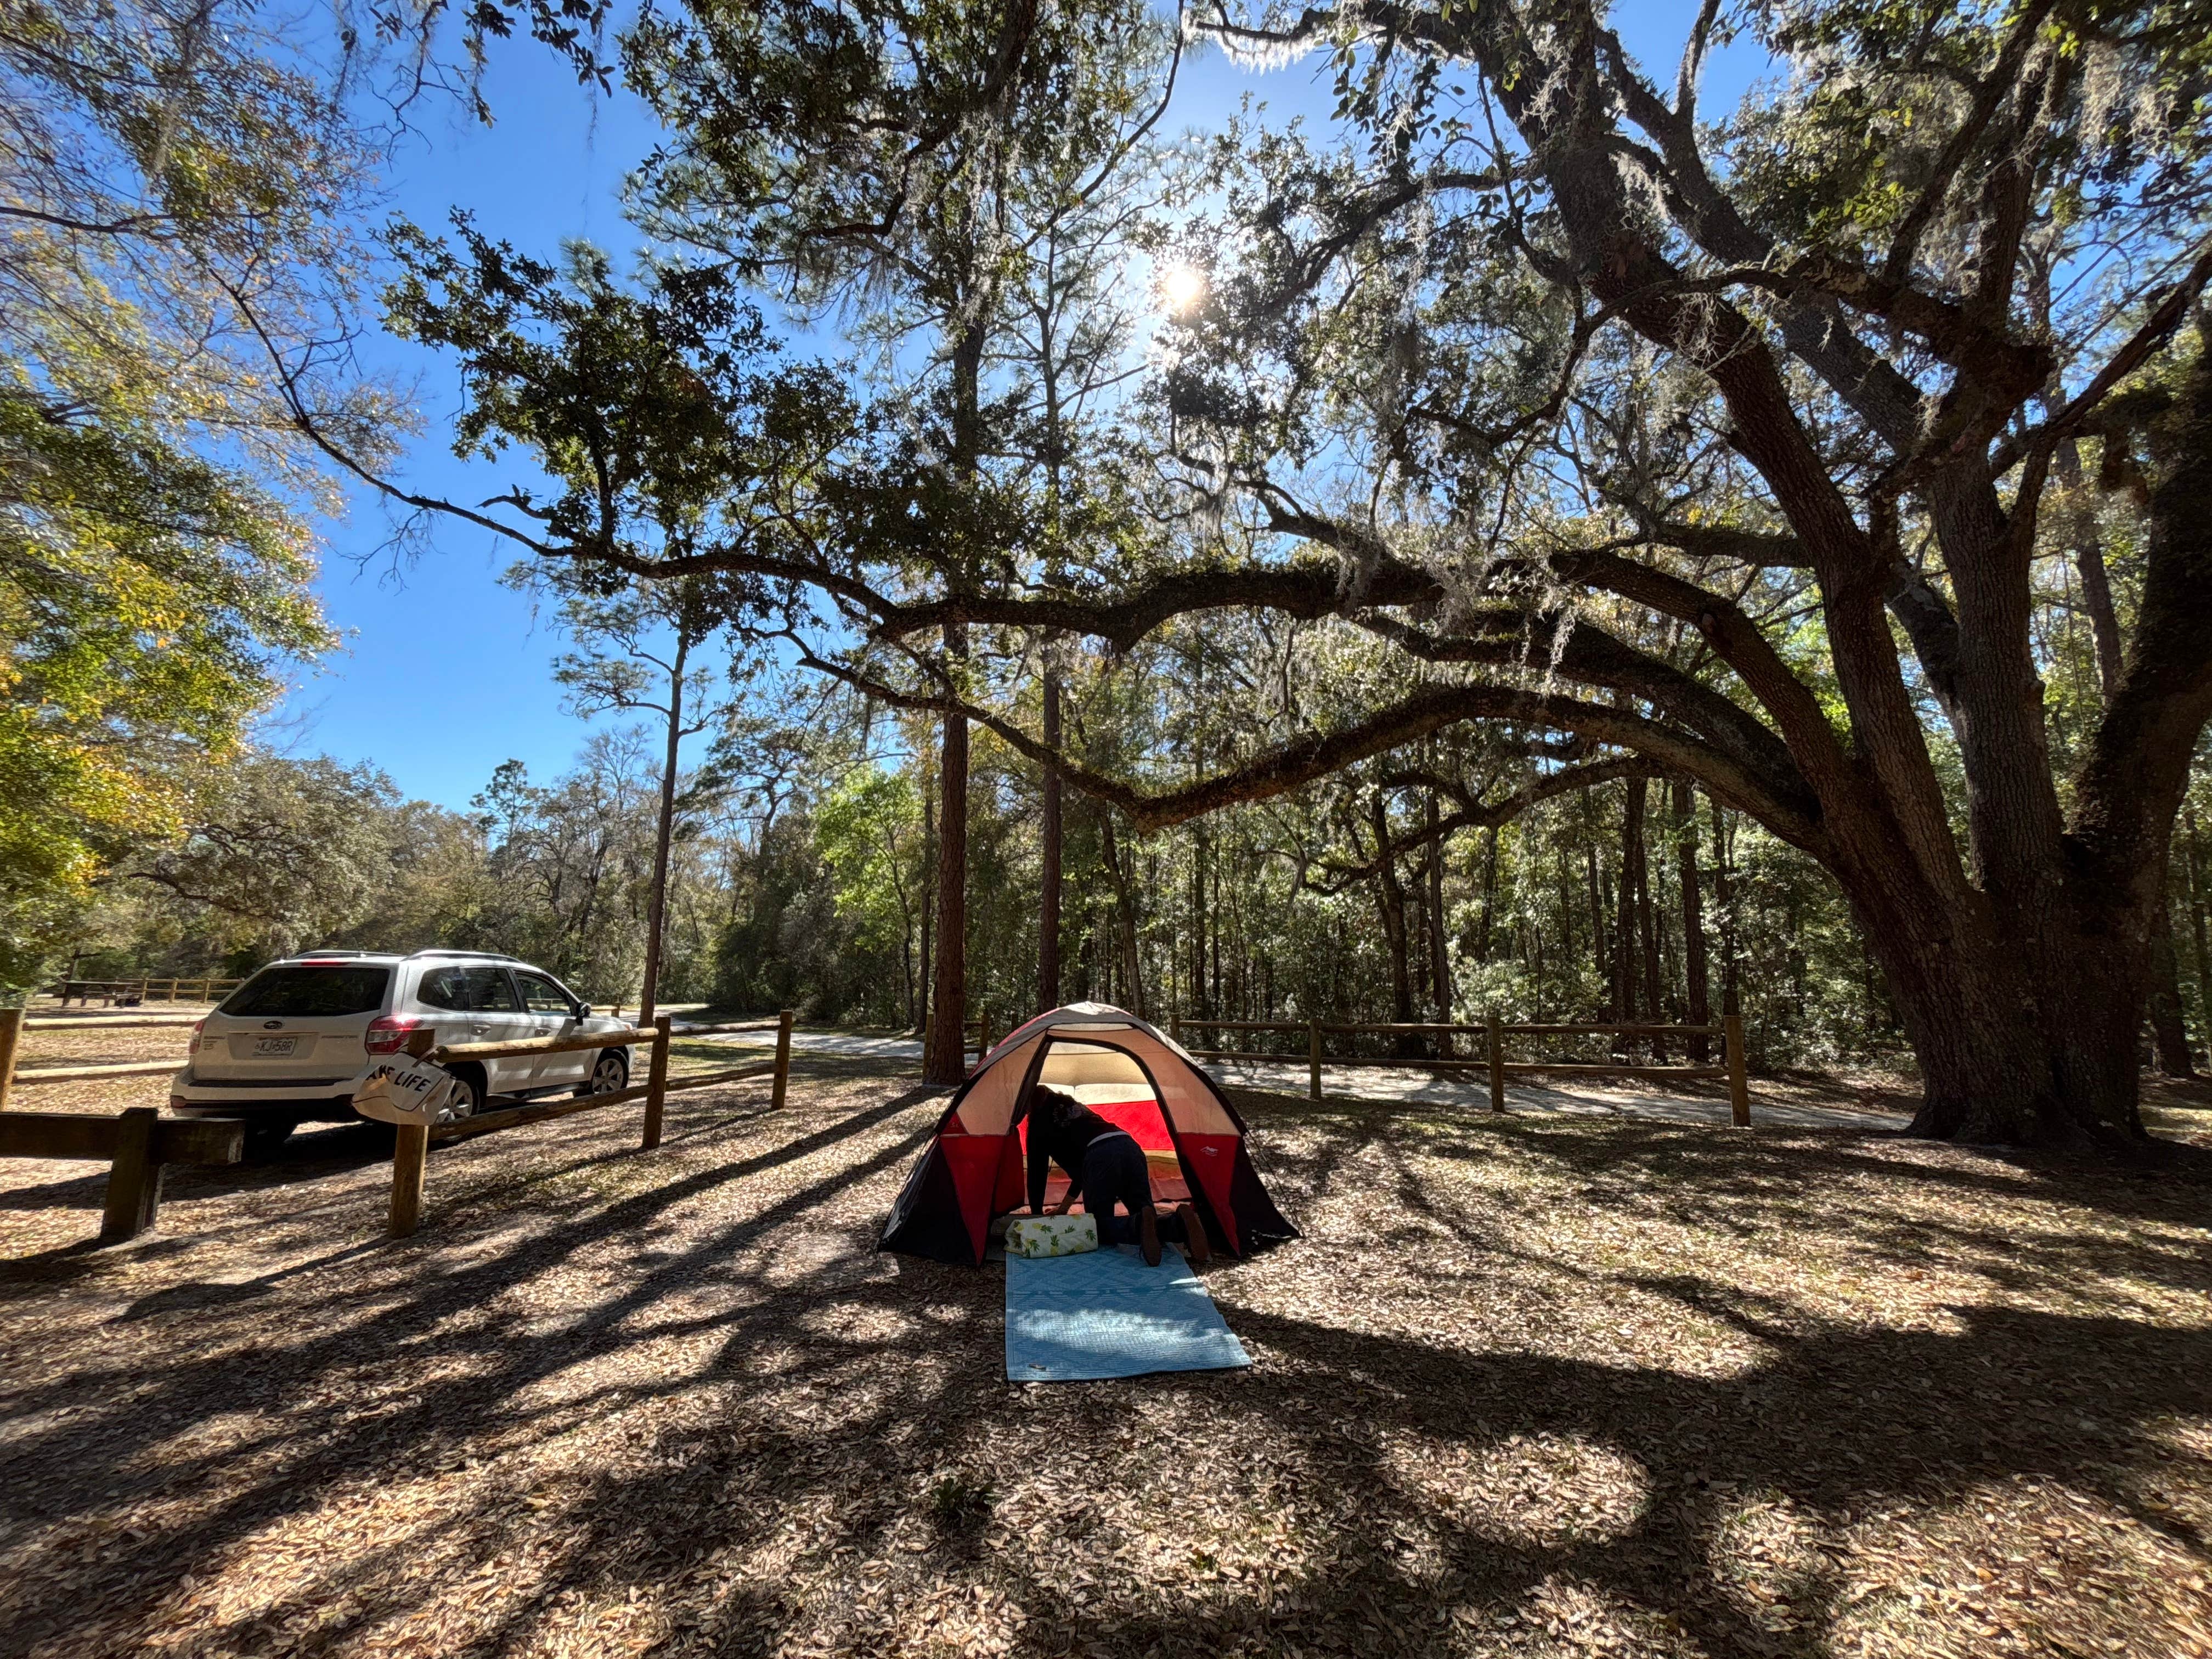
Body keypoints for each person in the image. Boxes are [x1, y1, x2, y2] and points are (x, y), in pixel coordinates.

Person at [1022, 1085, 1210, 1267]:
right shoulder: (1073, 1109)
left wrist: (1036, 1216)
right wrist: (1064, 1208)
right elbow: (1082, 1173)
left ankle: (1137, 1225)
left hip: (1101, 1156)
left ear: (1028, 1106)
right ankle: (1177, 1225)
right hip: (1130, 1146)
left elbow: (1036, 1176)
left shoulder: (1039, 1126)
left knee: (1097, 1227)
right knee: (1145, 1213)